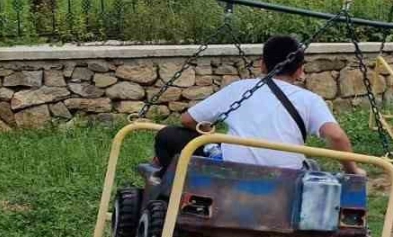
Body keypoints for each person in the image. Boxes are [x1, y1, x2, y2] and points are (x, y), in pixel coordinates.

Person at [153, 35, 362, 174]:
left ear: (262, 64)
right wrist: (353, 170)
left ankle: (173, 190)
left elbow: (188, 120)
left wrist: (210, 132)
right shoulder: (310, 99)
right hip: (287, 174)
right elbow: (336, 136)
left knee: (168, 135)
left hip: (233, 169)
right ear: (300, 70)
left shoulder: (239, 88)